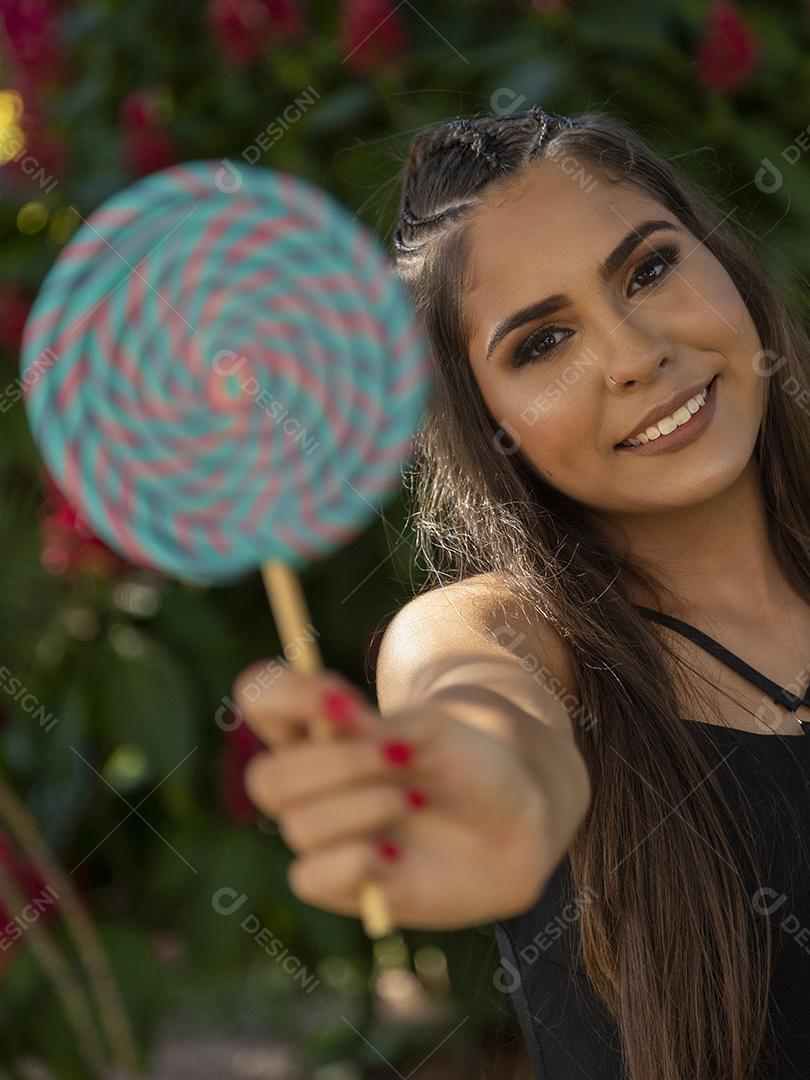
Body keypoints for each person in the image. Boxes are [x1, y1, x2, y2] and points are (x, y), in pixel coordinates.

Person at [233, 106, 810, 1079]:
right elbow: (471, 699)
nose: (633, 357)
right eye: (542, 345)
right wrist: (485, 781)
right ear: (478, 416)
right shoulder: (510, 635)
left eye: (651, 270)